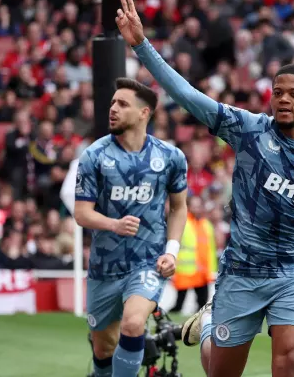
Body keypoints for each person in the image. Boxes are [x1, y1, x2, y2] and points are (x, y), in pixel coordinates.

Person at [116, 0, 294, 377]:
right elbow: (188, 96)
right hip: (242, 270)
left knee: (289, 353)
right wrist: (141, 45)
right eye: (277, 93)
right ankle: (209, 325)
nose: (283, 100)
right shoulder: (247, 130)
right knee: (221, 369)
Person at [73, 77, 189, 377]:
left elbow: (178, 209)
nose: (113, 108)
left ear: (144, 113)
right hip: (103, 269)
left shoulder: (170, 158)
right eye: (113, 102)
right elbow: (82, 213)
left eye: (122, 104)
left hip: (147, 264)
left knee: (135, 323)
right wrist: (113, 224)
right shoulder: (94, 157)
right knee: (103, 349)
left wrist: (172, 252)